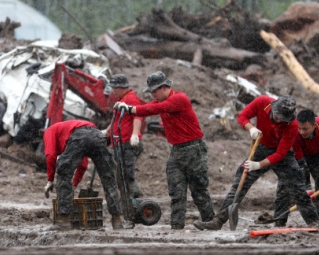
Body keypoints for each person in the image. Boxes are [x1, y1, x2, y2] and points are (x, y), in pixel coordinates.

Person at [193, 95, 319, 231]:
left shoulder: (292, 124)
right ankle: (218, 221)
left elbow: (280, 154)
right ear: (273, 107)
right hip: (261, 148)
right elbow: (242, 117)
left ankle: (314, 222)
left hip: (282, 155)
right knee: (239, 185)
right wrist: (251, 128)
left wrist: (258, 165)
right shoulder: (262, 102)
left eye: (282, 119)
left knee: (297, 188)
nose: (278, 120)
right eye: (277, 116)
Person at [114, 71, 215, 230]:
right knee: (176, 191)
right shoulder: (159, 101)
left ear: (164, 87)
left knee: (199, 190)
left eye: (154, 91)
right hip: (177, 150)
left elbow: (153, 109)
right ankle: (176, 225)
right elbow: (148, 107)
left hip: (194, 149)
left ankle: (210, 222)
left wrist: (129, 108)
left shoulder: (178, 99)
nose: (153, 95)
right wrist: (130, 108)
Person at [43, 119, 126, 230]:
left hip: (79, 136)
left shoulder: (49, 131)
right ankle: (117, 220)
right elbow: (82, 165)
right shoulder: (66, 130)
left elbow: (50, 155)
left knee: (63, 174)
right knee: (109, 178)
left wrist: (50, 180)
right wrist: (74, 185)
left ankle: (63, 221)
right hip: (97, 135)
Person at [274, 109, 319, 226]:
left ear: (314, 125)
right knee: (285, 184)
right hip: (293, 156)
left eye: (305, 129)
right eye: (300, 128)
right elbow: (301, 164)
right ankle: (279, 220)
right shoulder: (295, 134)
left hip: (317, 153)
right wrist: (306, 187)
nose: (302, 132)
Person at [102, 74, 144, 198]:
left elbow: (138, 116)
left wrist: (135, 134)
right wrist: (107, 131)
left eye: (115, 88)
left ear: (122, 87)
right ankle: (127, 201)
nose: (114, 91)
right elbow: (116, 120)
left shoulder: (131, 98)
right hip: (119, 142)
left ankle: (136, 200)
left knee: (127, 174)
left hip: (128, 143)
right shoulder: (121, 101)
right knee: (121, 175)